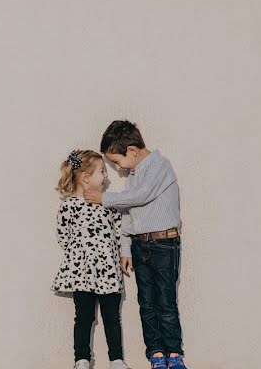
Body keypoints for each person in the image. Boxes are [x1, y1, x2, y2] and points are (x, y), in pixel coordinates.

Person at [84, 121, 186, 369]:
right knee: (147, 303)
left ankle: (174, 353)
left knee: (166, 302)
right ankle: (155, 354)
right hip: (141, 247)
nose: (118, 168)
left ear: (131, 150)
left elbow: (141, 196)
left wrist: (104, 198)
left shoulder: (160, 165)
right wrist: (126, 249)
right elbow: (128, 211)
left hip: (164, 244)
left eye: (117, 162)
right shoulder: (134, 176)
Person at [53, 149, 130, 369]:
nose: (106, 176)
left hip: (108, 271)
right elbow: (63, 236)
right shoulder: (68, 206)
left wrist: (118, 255)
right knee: (83, 317)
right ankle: (82, 359)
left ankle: (116, 359)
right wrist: (80, 256)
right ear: (86, 177)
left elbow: (119, 231)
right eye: (102, 171)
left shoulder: (108, 203)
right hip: (82, 273)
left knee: (112, 318)